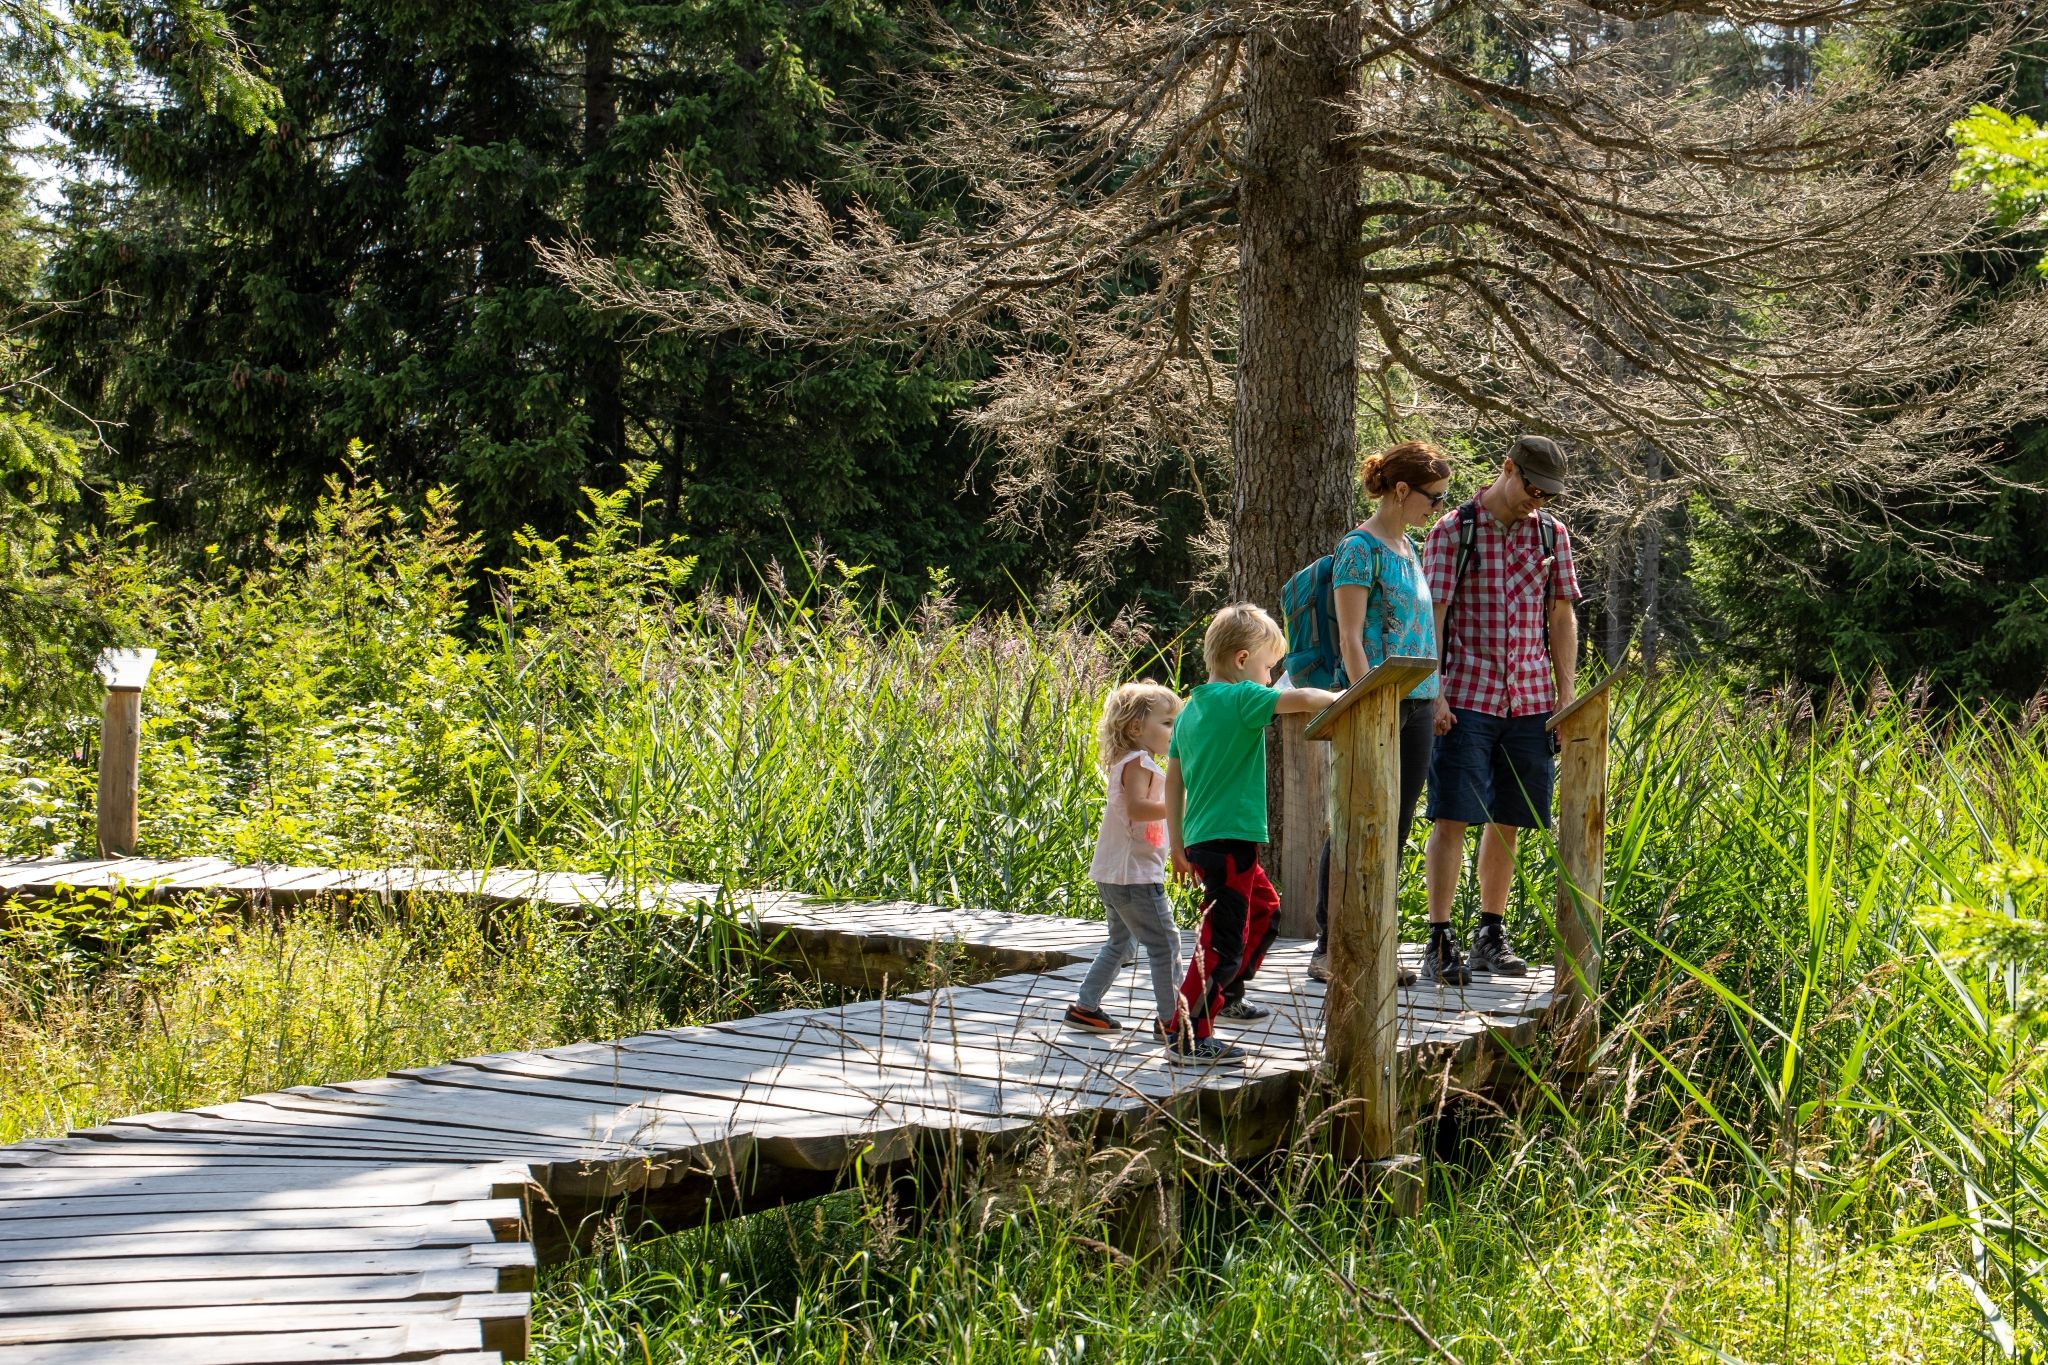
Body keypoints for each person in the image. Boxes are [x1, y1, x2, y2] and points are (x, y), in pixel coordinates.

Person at [1420, 434, 1582, 982]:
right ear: (1507, 468)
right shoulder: (1453, 532)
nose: (1537, 499)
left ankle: (1490, 931)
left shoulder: (1551, 534)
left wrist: (1566, 696)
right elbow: (1433, 618)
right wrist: (1435, 690)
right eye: (1532, 487)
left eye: (1548, 493)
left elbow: (1561, 616)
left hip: (1531, 698)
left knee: (1510, 817)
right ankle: (1439, 937)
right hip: (1466, 696)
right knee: (1453, 816)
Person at [1308, 441, 1457, 987]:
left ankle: (1374, 942)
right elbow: (1352, 637)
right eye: (1433, 498)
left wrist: (1436, 695)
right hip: (1376, 705)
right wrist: (1369, 701)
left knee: (1393, 826)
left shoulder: (1409, 547)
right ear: (1401, 491)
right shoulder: (1359, 548)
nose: (1437, 508)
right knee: (1355, 819)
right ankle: (1329, 946)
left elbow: (1420, 632)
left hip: (1417, 704)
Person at [1165, 604, 1339, 1064]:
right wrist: (1341, 698)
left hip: (1205, 840)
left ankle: (1229, 996)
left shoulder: (1188, 711)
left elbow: (1173, 780)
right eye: (1267, 667)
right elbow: (1300, 701)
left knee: (1263, 909)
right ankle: (1187, 1032)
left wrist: (1177, 845)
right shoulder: (1242, 699)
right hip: (1229, 842)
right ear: (1242, 661)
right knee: (1223, 938)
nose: (1269, 677)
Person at [1065, 682, 1185, 1038]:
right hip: (1134, 876)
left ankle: (1086, 1008)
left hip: (1115, 873)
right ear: (1136, 728)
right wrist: (1177, 806)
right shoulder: (1139, 762)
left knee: (1122, 942)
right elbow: (1136, 808)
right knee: (1165, 944)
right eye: (1167, 723)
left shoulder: (1132, 762)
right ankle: (1172, 1020)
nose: (1174, 731)